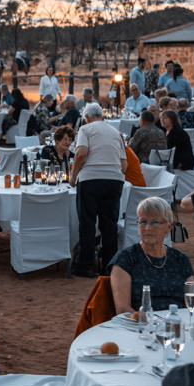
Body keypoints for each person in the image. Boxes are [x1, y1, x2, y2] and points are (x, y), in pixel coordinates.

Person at [70, 103, 129, 277]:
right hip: (114, 181)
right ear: (103, 117)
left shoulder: (85, 130)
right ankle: (110, 266)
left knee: (87, 224)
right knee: (109, 225)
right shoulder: (116, 132)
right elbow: (124, 165)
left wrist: (73, 177)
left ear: (85, 118)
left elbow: (81, 153)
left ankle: (86, 266)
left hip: (90, 180)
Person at [109, 197, 194, 313]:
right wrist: (152, 324)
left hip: (177, 324)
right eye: (143, 222)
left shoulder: (181, 260)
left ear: (168, 227)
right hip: (141, 326)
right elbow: (123, 309)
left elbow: (191, 305)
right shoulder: (125, 259)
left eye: (155, 222)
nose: (148, 228)